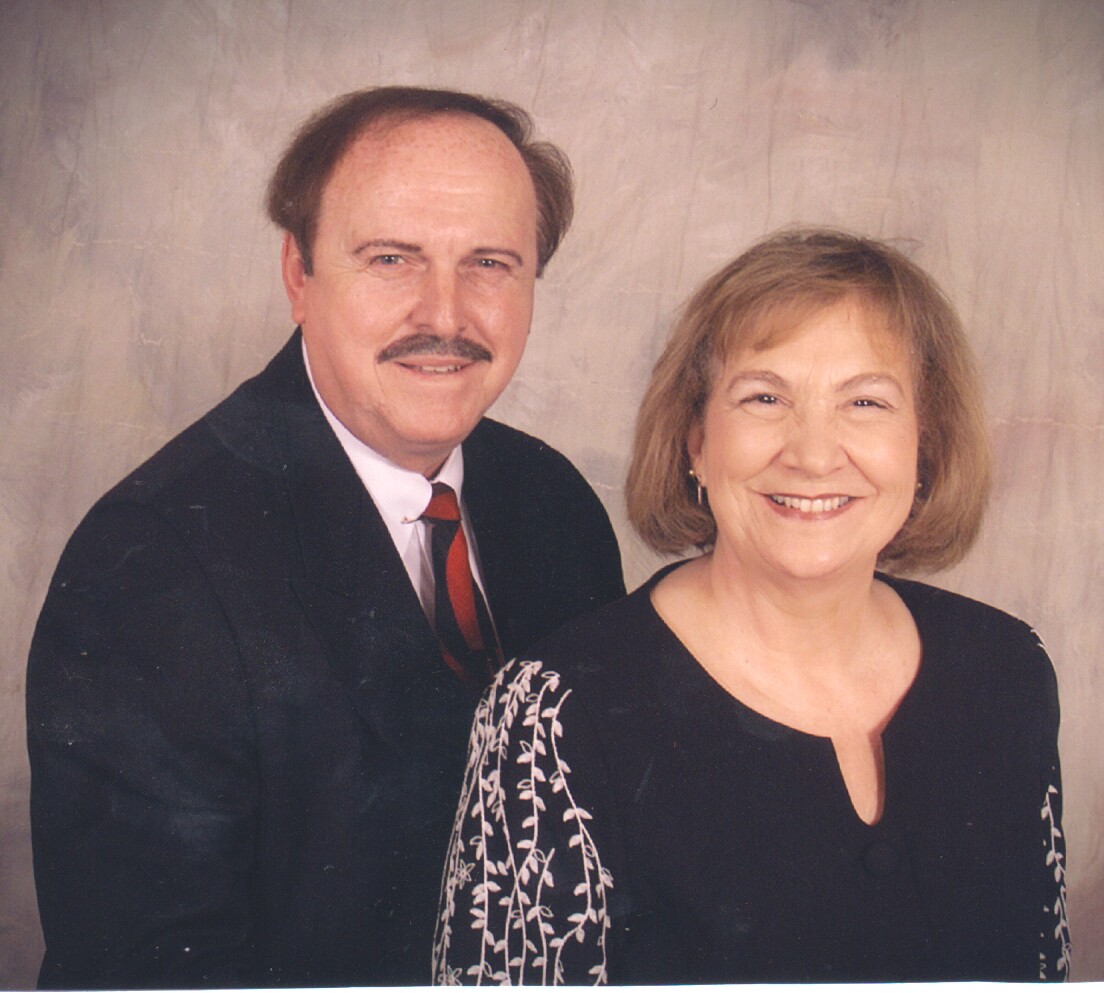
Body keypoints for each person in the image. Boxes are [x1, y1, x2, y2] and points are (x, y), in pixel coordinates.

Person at [26, 86, 624, 989]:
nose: (445, 315)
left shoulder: (555, 503)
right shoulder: (146, 568)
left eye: (490, 263)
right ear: (298, 275)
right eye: (392, 258)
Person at [434, 228, 1070, 984]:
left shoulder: (1007, 669)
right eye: (765, 398)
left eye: (866, 401)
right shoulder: (553, 712)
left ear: (923, 446)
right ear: (696, 442)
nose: (813, 453)